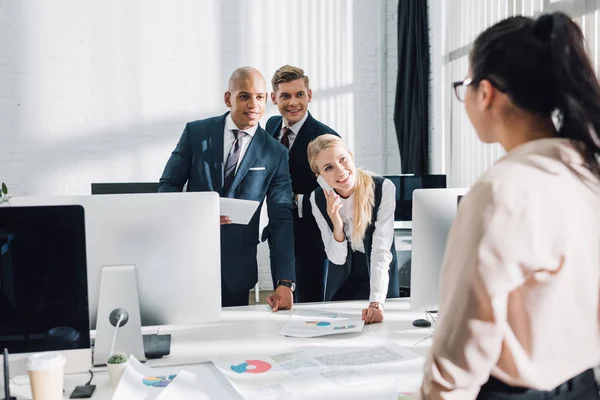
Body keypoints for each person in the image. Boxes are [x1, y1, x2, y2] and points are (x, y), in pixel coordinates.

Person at [419, 12, 600, 399]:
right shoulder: (588, 171)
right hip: (584, 384)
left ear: (487, 93)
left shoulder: (502, 190)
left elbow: (462, 344)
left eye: (464, 85)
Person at [158, 67, 296, 311]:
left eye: (260, 97)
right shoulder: (196, 133)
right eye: (244, 96)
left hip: (237, 268)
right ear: (228, 98)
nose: (253, 104)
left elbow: (281, 217)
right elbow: (168, 185)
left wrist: (284, 281)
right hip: (190, 255)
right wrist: (194, 214)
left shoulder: (275, 153)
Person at [264, 65, 340, 303]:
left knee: (310, 306)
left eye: (299, 94)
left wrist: (296, 200)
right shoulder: (272, 127)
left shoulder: (325, 137)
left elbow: (336, 192)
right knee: (282, 303)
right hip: (279, 236)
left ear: (309, 95)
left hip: (312, 240)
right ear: (274, 98)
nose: (293, 102)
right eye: (285, 96)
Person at [307, 134, 399, 324]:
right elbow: (336, 258)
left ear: (351, 156)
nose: (340, 171)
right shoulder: (317, 200)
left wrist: (376, 303)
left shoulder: (382, 189)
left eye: (343, 159)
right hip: (344, 274)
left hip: (378, 269)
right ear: (319, 177)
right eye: (328, 168)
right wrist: (337, 225)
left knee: (381, 329)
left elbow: (381, 251)